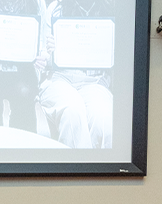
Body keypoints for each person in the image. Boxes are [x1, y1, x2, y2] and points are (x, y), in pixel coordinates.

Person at [39, 0, 114, 148]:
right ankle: (76, 169)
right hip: (59, 79)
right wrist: (50, 52)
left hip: (94, 82)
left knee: (103, 118)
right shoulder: (56, 8)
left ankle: (102, 169)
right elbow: (42, 56)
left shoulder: (109, 9)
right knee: (72, 110)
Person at [0, 0, 49, 133]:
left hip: (23, 70)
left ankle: (22, 149)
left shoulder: (37, 2)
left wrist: (41, 56)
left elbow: (42, 40)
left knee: (24, 92)